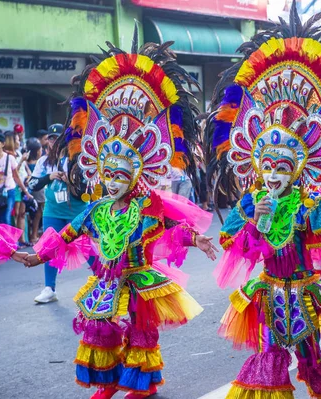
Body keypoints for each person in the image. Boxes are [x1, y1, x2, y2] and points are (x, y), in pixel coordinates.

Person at [17, 36, 218, 399]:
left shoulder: (146, 206)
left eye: (120, 176)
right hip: (107, 276)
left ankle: (142, 383)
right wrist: (38, 256)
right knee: (100, 329)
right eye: (108, 175)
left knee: (141, 330)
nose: (111, 183)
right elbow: (67, 234)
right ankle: (108, 383)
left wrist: (196, 238)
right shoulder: (97, 208)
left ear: (135, 176)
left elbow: (173, 226)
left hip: (139, 277)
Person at [208, 4, 321, 398]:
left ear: (298, 169)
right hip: (267, 294)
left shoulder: (313, 206)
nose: (273, 176)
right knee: (267, 361)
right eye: (267, 167)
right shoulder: (250, 202)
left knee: (313, 360)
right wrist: (253, 220)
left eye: (282, 168)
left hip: (305, 293)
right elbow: (233, 247)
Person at [29, 127, 88, 304]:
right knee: (49, 246)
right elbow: (33, 185)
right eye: (50, 138)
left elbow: (86, 187)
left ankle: (103, 279)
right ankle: (49, 288)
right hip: (52, 210)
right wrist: (50, 176)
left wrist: (70, 180)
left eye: (57, 138)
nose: (53, 142)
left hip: (76, 210)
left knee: (87, 245)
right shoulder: (44, 161)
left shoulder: (77, 158)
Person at [0, 133, 32, 225]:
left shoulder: (9, 158)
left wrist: (25, 191)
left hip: (9, 191)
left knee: (6, 217)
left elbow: (16, 176)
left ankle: (7, 239)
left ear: (3, 144)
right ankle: (1, 239)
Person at [5, 130, 31, 246]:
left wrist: (29, 176)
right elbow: (13, 172)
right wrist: (21, 161)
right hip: (15, 186)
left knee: (22, 213)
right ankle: (14, 241)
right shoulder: (8, 156)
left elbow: (25, 169)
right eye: (16, 140)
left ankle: (22, 239)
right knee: (14, 214)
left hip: (23, 185)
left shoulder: (18, 153)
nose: (19, 142)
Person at [25, 137, 43, 243]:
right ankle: (34, 235)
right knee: (39, 213)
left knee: (33, 214)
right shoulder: (38, 163)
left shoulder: (26, 162)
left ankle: (32, 235)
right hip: (39, 190)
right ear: (37, 151)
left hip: (29, 190)